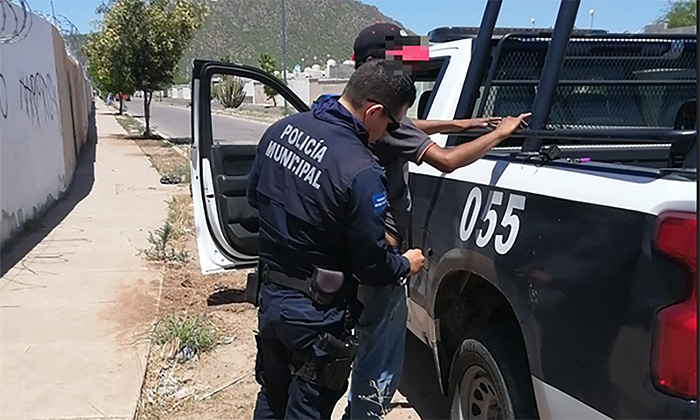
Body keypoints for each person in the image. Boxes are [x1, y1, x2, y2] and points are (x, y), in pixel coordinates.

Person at [341, 23, 531, 420]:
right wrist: (502, 133)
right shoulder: (382, 125)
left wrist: (462, 125)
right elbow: (445, 160)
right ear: (380, 66)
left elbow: (407, 127)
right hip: (386, 248)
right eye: (404, 63)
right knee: (381, 350)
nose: (409, 72)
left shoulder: (351, 110)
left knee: (367, 339)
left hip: (356, 246)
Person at [248, 59, 426, 420]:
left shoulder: (280, 130)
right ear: (373, 111)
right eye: (391, 123)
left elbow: (255, 198)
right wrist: (406, 263)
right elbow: (372, 266)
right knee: (307, 408)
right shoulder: (361, 169)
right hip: (316, 315)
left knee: (272, 395)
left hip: (270, 300)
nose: (387, 133)